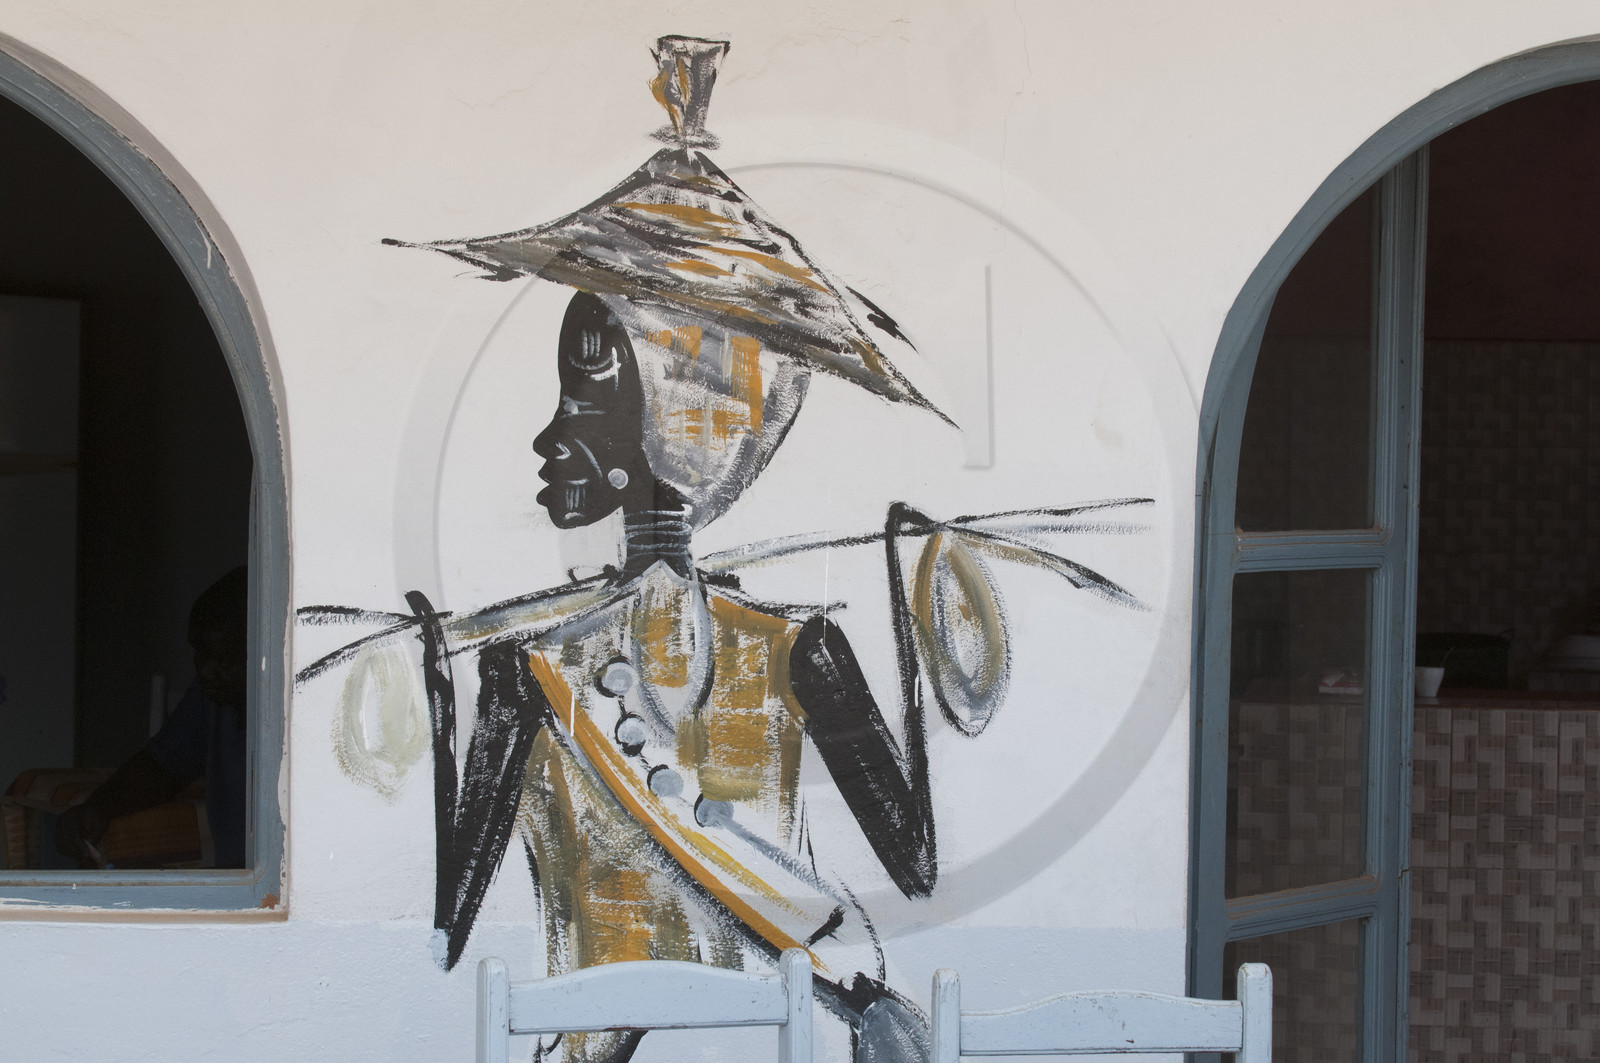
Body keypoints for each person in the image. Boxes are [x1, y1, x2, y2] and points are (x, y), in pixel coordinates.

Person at [57, 566, 249, 869]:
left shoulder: (296, 714)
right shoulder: (211, 701)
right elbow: (162, 765)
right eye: (200, 653)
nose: (205, 670)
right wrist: (96, 808)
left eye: (224, 660)